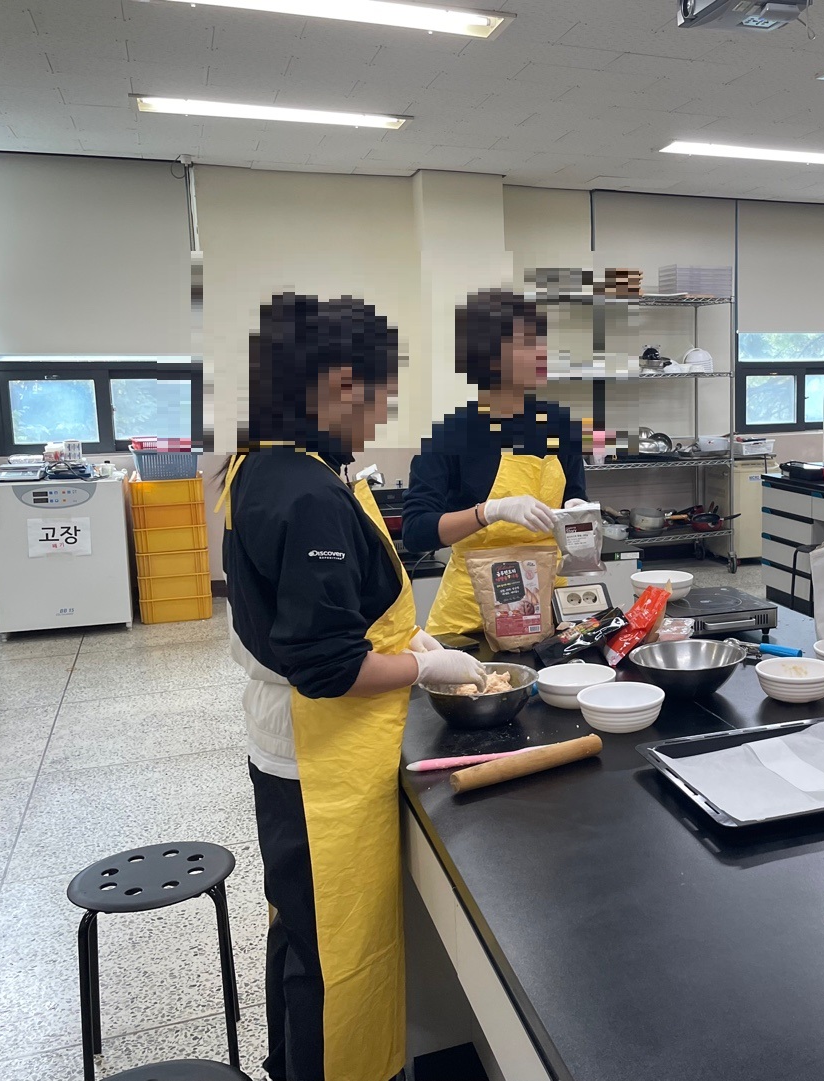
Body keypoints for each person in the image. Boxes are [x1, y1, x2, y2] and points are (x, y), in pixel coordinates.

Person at [219, 293, 487, 1081]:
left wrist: (405, 638)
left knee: (300, 935)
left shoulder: (256, 462)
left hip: (281, 747)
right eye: (376, 402)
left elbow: (305, 617)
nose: (374, 422)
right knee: (337, 956)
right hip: (319, 757)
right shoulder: (306, 494)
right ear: (341, 383)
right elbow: (329, 667)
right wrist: (425, 665)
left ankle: (288, 1064)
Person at [403, 288, 588, 636]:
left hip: (548, 610)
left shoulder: (559, 426)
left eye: (541, 341)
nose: (542, 352)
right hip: (472, 619)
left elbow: (573, 500)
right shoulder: (451, 435)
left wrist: (579, 515)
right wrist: (489, 512)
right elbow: (416, 531)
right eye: (527, 343)